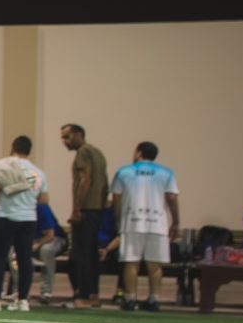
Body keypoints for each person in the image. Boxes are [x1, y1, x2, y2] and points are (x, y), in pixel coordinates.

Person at [109, 142, 179, 313]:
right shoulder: (166, 173)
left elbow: (116, 199)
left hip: (131, 221)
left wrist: (118, 220)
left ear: (138, 153)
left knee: (131, 262)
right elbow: (171, 197)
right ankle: (154, 299)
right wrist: (176, 221)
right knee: (154, 264)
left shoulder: (123, 172)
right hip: (157, 223)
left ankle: (129, 298)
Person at [0, 135, 46, 312]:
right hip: (28, 219)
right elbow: (44, 199)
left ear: (12, 147)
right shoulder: (38, 173)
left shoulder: (3, 166)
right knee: (24, 260)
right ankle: (23, 300)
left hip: (5, 216)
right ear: (29, 151)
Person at [60, 124, 110, 308]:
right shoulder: (98, 153)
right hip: (97, 211)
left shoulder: (83, 152)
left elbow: (85, 180)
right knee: (91, 255)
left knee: (79, 257)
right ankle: (93, 295)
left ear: (79, 135)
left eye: (67, 137)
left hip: (86, 210)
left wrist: (76, 209)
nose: (64, 141)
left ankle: (82, 296)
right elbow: (105, 184)